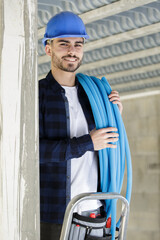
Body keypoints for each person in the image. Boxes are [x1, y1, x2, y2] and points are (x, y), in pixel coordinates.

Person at [39, 11, 123, 240]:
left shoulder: (92, 96)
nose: (72, 50)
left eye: (78, 44)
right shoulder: (36, 96)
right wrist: (87, 143)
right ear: (48, 48)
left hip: (95, 210)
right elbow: (32, 152)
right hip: (54, 215)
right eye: (63, 43)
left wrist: (115, 115)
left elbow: (110, 146)